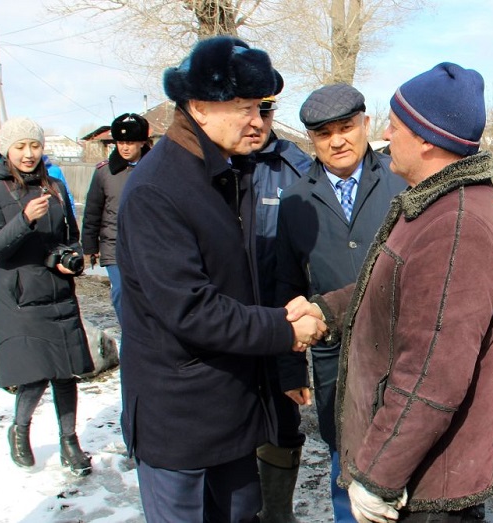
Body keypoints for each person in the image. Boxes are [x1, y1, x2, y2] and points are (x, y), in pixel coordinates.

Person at [115, 36, 326, 522]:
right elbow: (192, 309)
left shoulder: (229, 173)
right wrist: (283, 329)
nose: (258, 120)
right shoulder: (159, 188)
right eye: (243, 107)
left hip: (229, 408)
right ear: (198, 107)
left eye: (262, 106)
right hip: (180, 418)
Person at [300, 62, 493, 522]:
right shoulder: (436, 203)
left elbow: (433, 375)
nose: (386, 139)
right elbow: (396, 286)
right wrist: (327, 310)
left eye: (394, 128)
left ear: (426, 138)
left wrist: (378, 478)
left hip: (430, 487)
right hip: (417, 474)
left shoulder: (457, 227)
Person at [273, 83, 407, 523]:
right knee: (345, 464)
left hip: (399, 349)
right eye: (323, 133)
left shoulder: (401, 182)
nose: (337, 141)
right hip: (336, 356)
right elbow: (287, 284)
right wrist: (291, 365)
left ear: (366, 124)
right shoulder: (295, 199)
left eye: (347, 127)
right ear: (310, 139)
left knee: (404, 455)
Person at [0, 117, 93, 476]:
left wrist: (70, 260)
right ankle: (20, 429)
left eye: (35, 146)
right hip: (17, 293)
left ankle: (69, 441)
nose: (29, 154)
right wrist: (24, 219)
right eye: (21, 147)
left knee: (65, 372)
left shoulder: (56, 186)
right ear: (6, 149)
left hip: (56, 289)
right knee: (35, 374)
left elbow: (71, 236)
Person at [250, 93, 313, 522]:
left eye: (265, 110)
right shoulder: (207, 165)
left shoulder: (296, 166)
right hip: (223, 315)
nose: (256, 119)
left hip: (281, 317)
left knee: (282, 418)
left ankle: (277, 513)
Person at [82, 112, 151, 321]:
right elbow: (93, 211)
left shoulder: (156, 168)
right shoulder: (105, 172)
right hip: (114, 245)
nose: (125, 147)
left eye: (130, 142)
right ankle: (130, 334)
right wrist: (90, 247)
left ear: (142, 142)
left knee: (149, 294)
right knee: (121, 292)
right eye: (120, 142)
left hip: (149, 245)